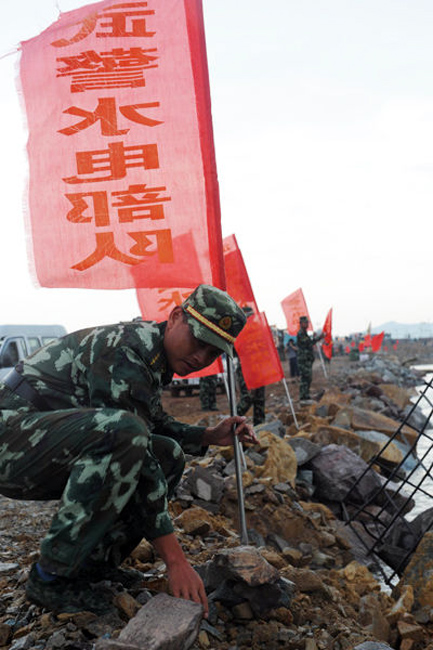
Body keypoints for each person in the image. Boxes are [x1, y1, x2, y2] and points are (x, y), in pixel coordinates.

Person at [0, 284, 257, 616]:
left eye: (213, 353)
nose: (200, 358)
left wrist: (208, 435)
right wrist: (175, 560)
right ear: (175, 317)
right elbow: (131, 442)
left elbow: (151, 424)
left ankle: (91, 569)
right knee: (127, 436)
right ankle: (51, 578)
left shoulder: (152, 354)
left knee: (167, 454)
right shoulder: (125, 349)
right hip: (10, 444)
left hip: (38, 446)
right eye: (198, 341)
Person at [296, 316, 325, 404]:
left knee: (308, 378)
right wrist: (319, 337)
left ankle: (306, 395)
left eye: (307, 323)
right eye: (305, 323)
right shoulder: (301, 333)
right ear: (301, 324)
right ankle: (303, 397)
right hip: (303, 360)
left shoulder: (304, 333)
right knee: (305, 377)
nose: (307, 324)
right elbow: (309, 343)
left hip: (306, 359)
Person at [235, 358, 266, 426]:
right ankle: (233, 420)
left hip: (258, 365)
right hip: (246, 365)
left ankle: (259, 425)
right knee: (247, 398)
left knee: (259, 399)